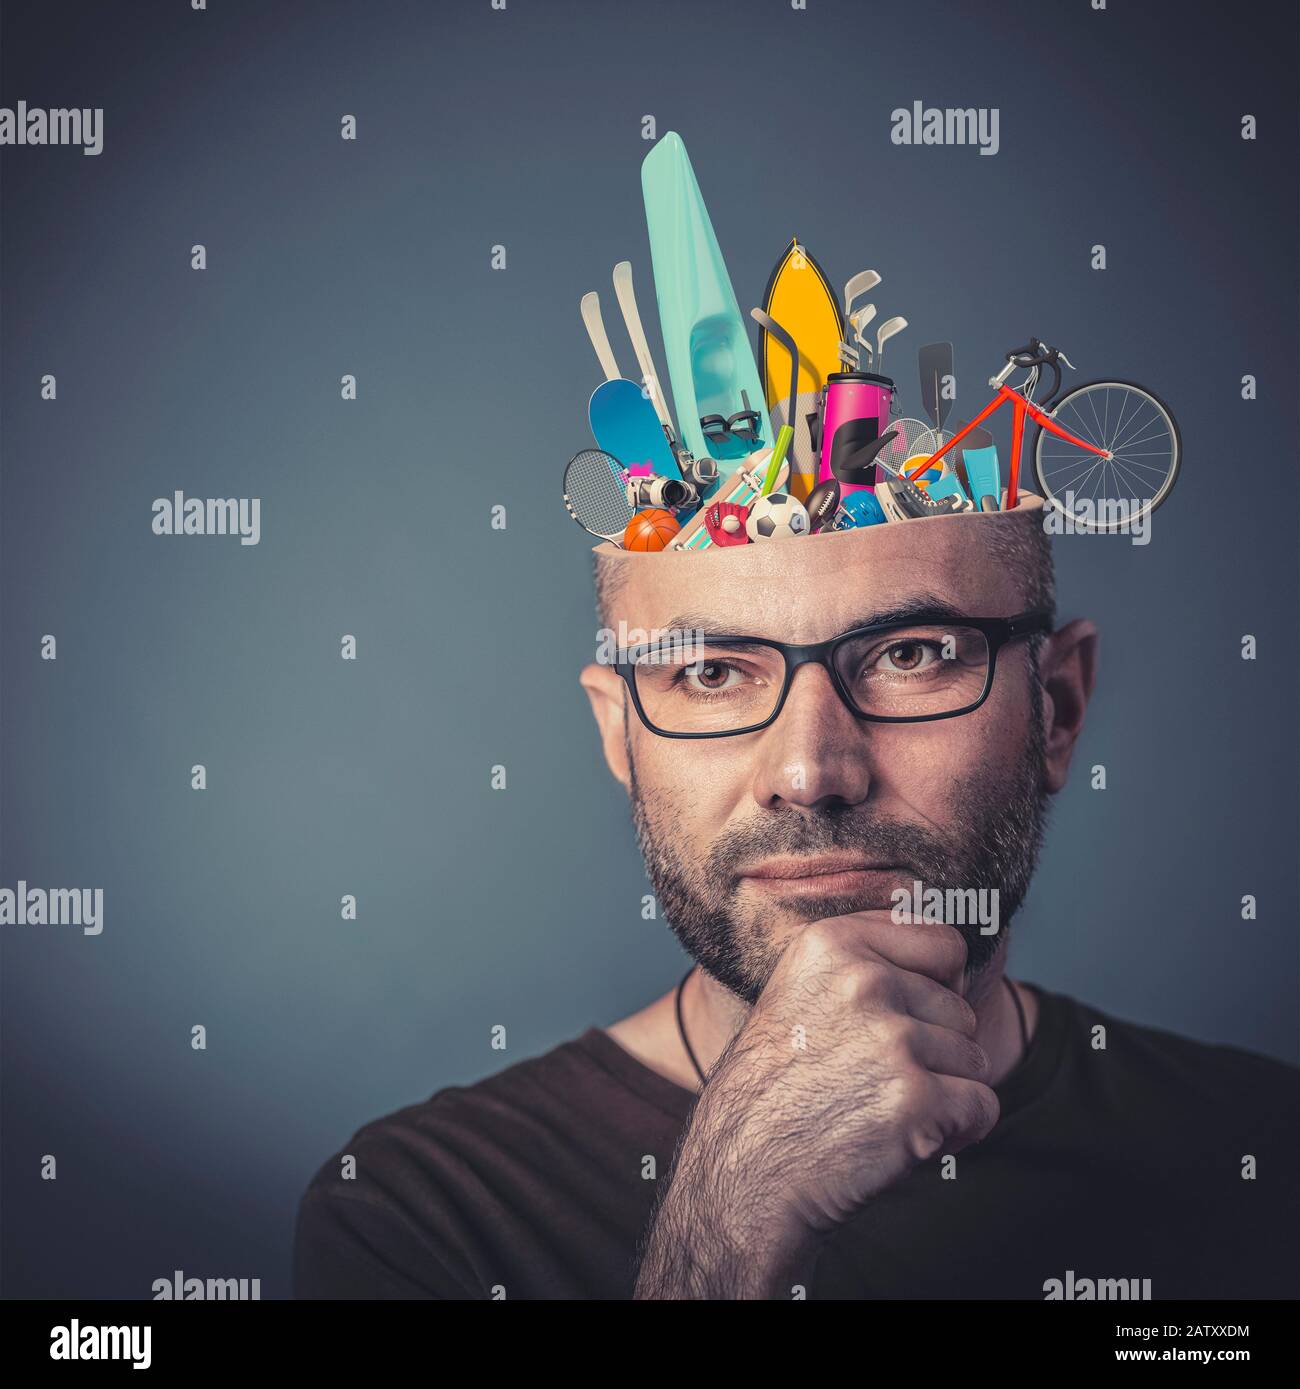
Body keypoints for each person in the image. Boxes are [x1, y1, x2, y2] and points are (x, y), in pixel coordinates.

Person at [294, 499, 1300, 1300]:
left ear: (1057, 709)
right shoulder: (420, 1215)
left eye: (912, 656)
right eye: (712, 671)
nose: (810, 771)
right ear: (619, 736)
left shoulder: (1264, 1155)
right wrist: (724, 1243)